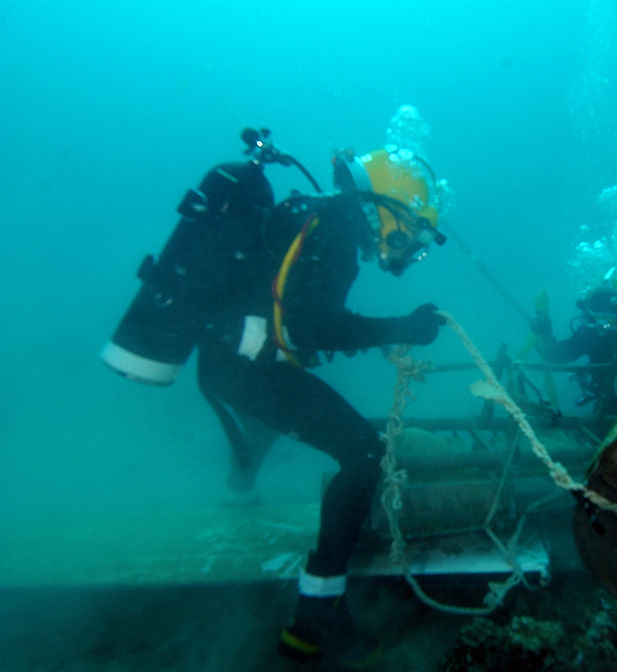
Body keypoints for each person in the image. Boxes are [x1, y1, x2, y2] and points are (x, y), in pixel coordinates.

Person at [102, 130, 447, 661]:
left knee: (278, 415)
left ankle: (239, 488)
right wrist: (399, 327)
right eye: (412, 234)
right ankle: (314, 621)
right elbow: (311, 328)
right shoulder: (334, 234)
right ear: (395, 207)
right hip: (244, 370)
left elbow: (293, 312)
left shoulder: (319, 216)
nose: (406, 250)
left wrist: (371, 333)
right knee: (362, 453)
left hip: (226, 364)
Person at [530, 267, 617, 419]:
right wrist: (545, 333)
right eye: (596, 309)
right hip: (609, 407)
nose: (604, 320)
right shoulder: (598, 328)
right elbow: (556, 355)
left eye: (612, 310)